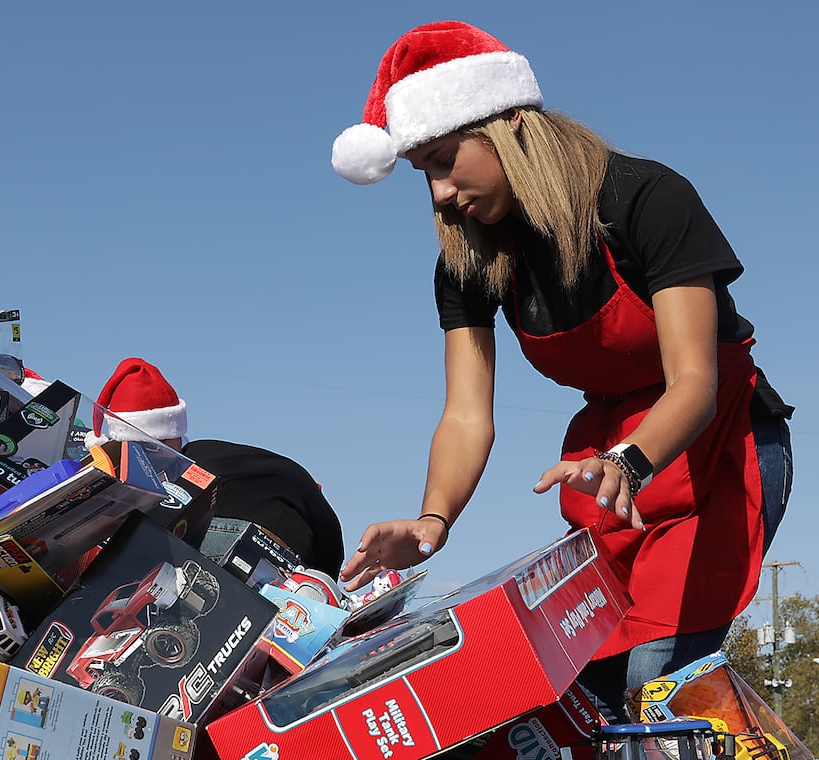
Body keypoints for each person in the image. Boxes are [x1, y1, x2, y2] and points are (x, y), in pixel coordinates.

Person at [331, 21, 793, 721]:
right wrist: (431, 524)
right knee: (586, 695)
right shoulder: (470, 260)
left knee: (657, 688)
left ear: (511, 122)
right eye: (426, 170)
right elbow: (466, 413)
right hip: (604, 469)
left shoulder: (645, 200)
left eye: (447, 159)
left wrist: (629, 463)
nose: (439, 192)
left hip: (715, 447)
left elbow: (694, 381)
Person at [90, 357, 346, 577]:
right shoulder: (227, 456)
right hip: (306, 559)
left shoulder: (183, 472)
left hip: (257, 552)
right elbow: (317, 510)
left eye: (148, 449)